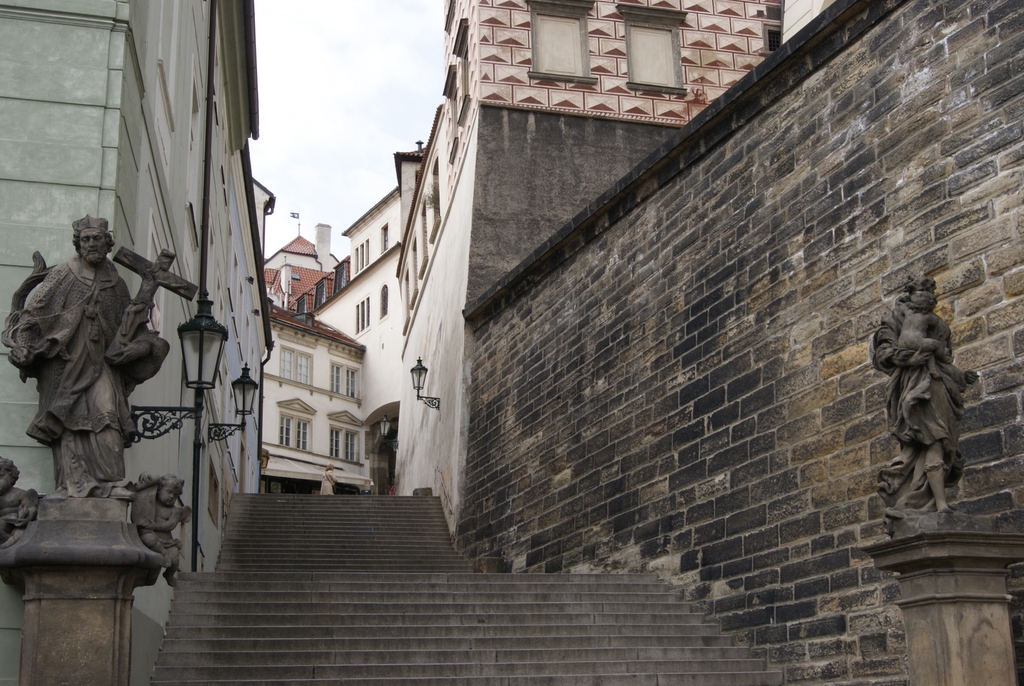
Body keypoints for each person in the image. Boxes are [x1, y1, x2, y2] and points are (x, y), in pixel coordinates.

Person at [3, 216, 169, 498]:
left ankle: (111, 482)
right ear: (78, 244)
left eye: (96, 239)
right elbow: (33, 315)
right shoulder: (63, 275)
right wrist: (24, 346)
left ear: (107, 243)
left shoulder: (116, 284)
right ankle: (73, 484)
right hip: (65, 361)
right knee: (68, 422)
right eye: (85, 239)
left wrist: (142, 348)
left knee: (108, 417)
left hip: (101, 362)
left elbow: (130, 328)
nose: (91, 244)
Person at [872, 276, 977, 515]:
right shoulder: (895, 318)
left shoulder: (939, 324)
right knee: (932, 438)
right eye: (922, 291)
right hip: (914, 384)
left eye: (930, 292)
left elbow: (945, 357)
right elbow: (882, 354)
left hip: (941, 385)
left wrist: (960, 377)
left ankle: (928, 502)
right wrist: (909, 358)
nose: (927, 295)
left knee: (942, 441)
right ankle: (933, 504)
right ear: (911, 294)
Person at [131, 473, 191, 586]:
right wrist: (144, 476)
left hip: (167, 542)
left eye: (175, 495)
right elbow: (146, 485)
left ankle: (169, 575)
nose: (171, 497)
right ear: (159, 490)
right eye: (169, 492)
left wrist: (153, 526)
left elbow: (169, 525)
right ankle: (163, 554)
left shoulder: (175, 511)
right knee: (149, 539)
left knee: (175, 559)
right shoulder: (151, 502)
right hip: (151, 537)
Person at [0, 457, 38, 549]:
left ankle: (4, 548)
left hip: (15, 527)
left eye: (0, 476)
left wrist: (26, 520)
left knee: (20, 534)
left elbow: (31, 508)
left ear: (11, 477)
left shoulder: (19, 494)